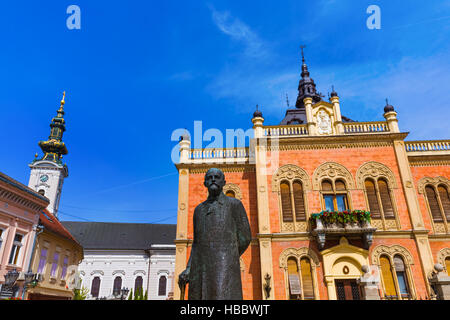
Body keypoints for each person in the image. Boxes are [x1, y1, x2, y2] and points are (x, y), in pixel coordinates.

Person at [178, 168, 251, 300]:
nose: (213, 179)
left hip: (224, 268)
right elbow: (196, 244)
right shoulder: (199, 210)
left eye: (216, 177)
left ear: (224, 182)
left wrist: (228, 255)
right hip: (200, 270)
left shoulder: (234, 205)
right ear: (205, 183)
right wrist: (189, 269)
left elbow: (246, 237)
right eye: (209, 177)